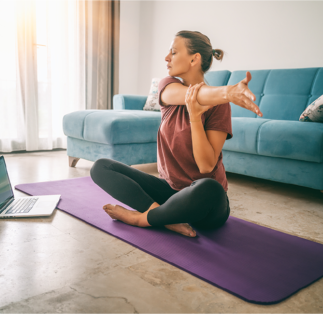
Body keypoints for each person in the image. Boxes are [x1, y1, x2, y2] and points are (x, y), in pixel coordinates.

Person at [90, 30, 263, 238]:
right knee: (101, 167)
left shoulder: (220, 107)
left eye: (173, 52)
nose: (166, 58)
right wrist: (227, 92)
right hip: (169, 191)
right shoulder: (168, 85)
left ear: (194, 58)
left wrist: (195, 118)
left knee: (210, 187)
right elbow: (195, 95)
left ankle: (141, 219)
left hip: (203, 203)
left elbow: (206, 166)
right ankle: (162, 216)